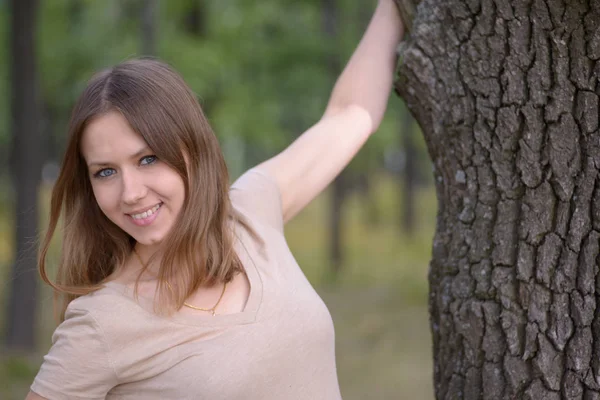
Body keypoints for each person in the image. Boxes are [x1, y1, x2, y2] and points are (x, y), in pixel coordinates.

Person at [26, 1, 404, 399]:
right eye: (106, 172)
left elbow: (350, 112)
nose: (131, 192)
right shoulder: (101, 326)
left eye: (148, 158)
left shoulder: (251, 213)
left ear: (191, 150)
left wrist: (393, 9)